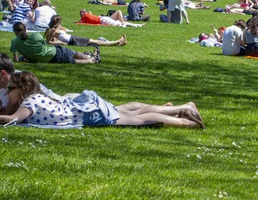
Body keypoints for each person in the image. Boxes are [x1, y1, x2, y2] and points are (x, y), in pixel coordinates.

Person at [0, 72, 205, 128]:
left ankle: (185, 119)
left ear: (22, 89)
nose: (8, 92)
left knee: (138, 119)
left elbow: (12, 119)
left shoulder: (30, 103)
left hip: (89, 113)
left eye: (10, 89)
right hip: (87, 107)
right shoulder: (36, 98)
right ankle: (182, 110)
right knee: (134, 113)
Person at [11, 22, 99, 64]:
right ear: (25, 29)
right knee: (72, 53)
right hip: (53, 53)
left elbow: (16, 60)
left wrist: (25, 57)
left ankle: (90, 58)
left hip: (47, 60)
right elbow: (45, 45)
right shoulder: (36, 35)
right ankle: (91, 58)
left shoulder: (14, 42)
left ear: (14, 31)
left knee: (71, 60)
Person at [45, 16, 127, 47]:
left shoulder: (55, 29)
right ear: (57, 23)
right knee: (96, 42)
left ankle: (117, 43)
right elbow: (49, 42)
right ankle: (117, 42)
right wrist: (61, 43)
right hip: (72, 40)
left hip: (73, 38)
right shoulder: (52, 30)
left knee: (95, 42)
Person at [79, 9, 144, 28]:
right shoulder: (85, 16)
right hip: (104, 20)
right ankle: (136, 25)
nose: (83, 13)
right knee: (120, 22)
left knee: (119, 12)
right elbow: (80, 21)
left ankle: (136, 25)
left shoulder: (88, 15)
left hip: (105, 18)